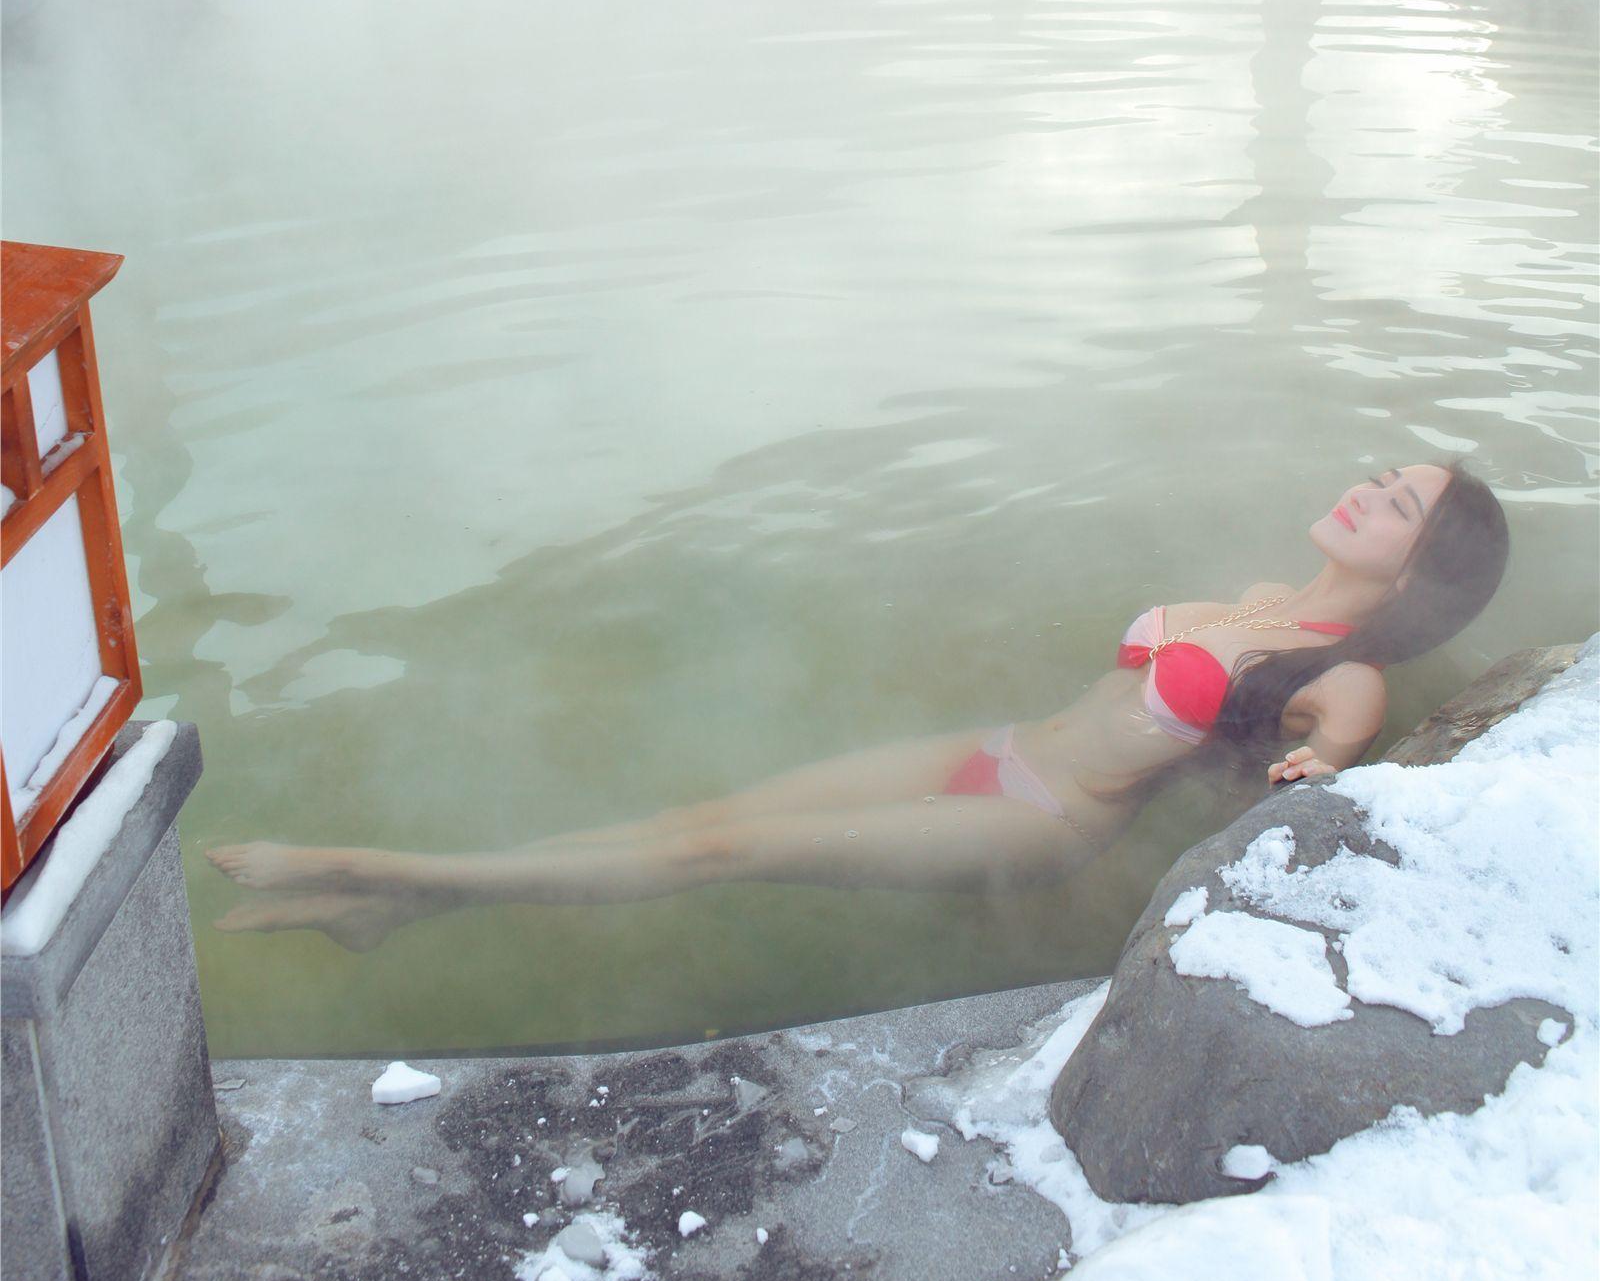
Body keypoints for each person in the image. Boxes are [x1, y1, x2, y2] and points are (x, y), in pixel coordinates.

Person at [207, 462, 1508, 949]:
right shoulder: (1264, 589)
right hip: (994, 751)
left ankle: (360, 866)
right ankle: (407, 905)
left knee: (713, 855)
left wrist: (1310, 777)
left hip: (1045, 818)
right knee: (698, 813)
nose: (1369, 491)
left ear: (1421, 565)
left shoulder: (1352, 677)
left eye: (1401, 505)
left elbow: (1326, 768)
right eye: (1382, 474)